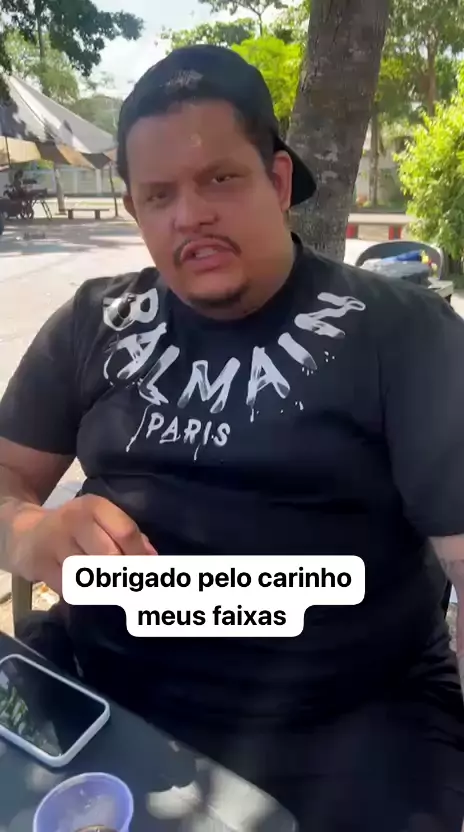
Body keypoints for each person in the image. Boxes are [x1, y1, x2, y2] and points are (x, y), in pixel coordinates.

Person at [0, 45, 463, 830]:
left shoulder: (401, 332)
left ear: (277, 181)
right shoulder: (91, 321)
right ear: (135, 209)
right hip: (100, 695)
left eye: (219, 179)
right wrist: (29, 533)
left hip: (349, 724)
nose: (189, 216)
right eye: (159, 195)